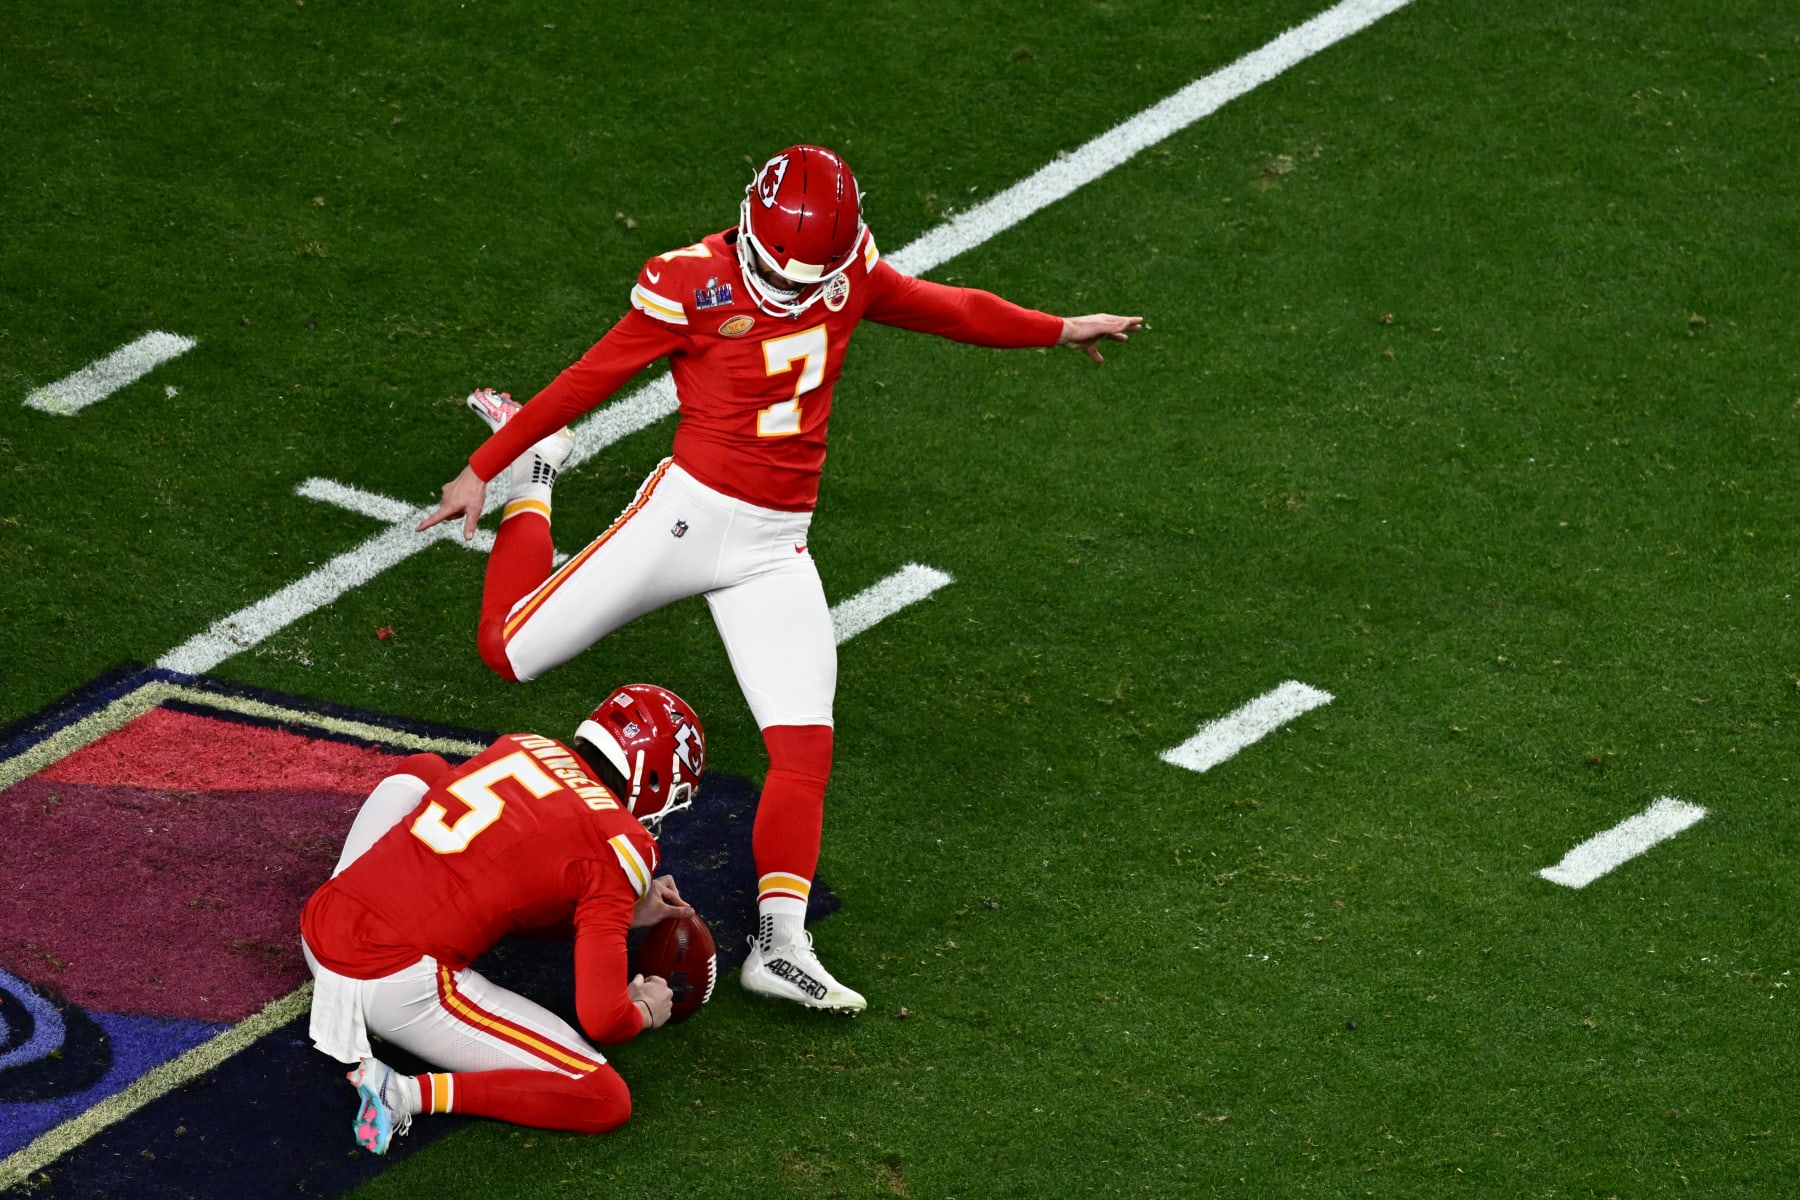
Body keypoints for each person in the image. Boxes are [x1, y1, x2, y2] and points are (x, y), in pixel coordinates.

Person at [416, 144, 1142, 1014]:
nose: (788, 292)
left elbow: (944, 307)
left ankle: (780, 944)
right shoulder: (690, 281)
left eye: (809, 280)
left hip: (775, 545)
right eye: (771, 273)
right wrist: (488, 465)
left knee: (803, 751)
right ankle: (539, 479)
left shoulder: (851, 268)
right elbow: (592, 374)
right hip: (686, 519)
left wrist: (1058, 327)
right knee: (509, 654)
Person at [299, 684, 706, 1153]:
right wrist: (643, 1011)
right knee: (604, 1097)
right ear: (652, 779)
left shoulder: (528, 744)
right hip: (388, 978)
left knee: (426, 770)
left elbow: (527, 890)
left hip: (323, 918)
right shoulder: (623, 847)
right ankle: (406, 1093)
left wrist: (621, 909)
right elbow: (603, 1019)